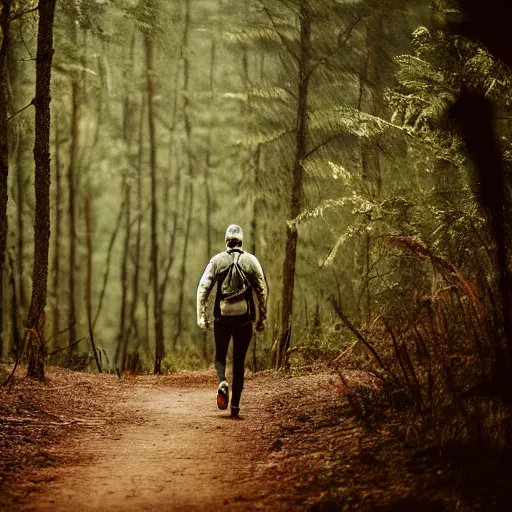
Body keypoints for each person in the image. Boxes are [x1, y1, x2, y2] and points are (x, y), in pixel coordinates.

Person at [197, 224, 268, 418]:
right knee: (239, 361)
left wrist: (201, 316)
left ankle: (222, 381)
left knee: (220, 356)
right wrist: (262, 317)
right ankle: (235, 405)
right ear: (241, 241)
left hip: (222, 317)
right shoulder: (251, 261)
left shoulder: (217, 261)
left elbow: (203, 288)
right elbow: (261, 290)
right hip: (244, 319)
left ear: (227, 242)